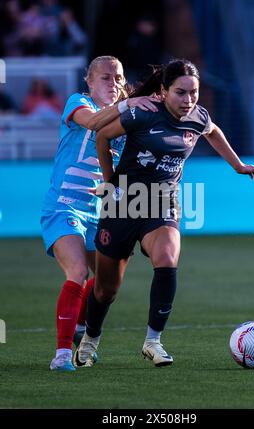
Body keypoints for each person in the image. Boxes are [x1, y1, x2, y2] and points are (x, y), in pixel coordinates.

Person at [73, 59, 254, 369]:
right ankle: (89, 340)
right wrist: (109, 181)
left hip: (161, 203)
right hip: (123, 204)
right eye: (181, 93)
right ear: (163, 92)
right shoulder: (142, 113)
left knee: (167, 255)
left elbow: (213, 132)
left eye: (194, 92)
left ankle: (153, 341)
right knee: (106, 289)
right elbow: (102, 136)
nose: (189, 100)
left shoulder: (197, 117)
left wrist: (239, 166)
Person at [40, 55, 158, 371]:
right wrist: (131, 104)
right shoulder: (78, 103)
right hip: (64, 207)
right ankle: (62, 354)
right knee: (78, 272)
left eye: (118, 77)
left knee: (106, 286)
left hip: (103, 214)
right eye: (105, 77)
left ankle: (80, 326)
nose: (113, 82)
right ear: (89, 82)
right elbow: (93, 123)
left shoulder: (126, 120)